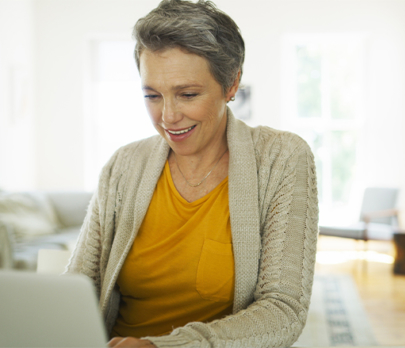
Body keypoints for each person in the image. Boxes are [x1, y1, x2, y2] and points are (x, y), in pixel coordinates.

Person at [66, 1, 319, 347]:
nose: (168, 117)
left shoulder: (282, 158)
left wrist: (160, 346)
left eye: (187, 94)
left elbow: (283, 311)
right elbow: (78, 288)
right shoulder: (122, 165)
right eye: (152, 95)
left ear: (231, 84)